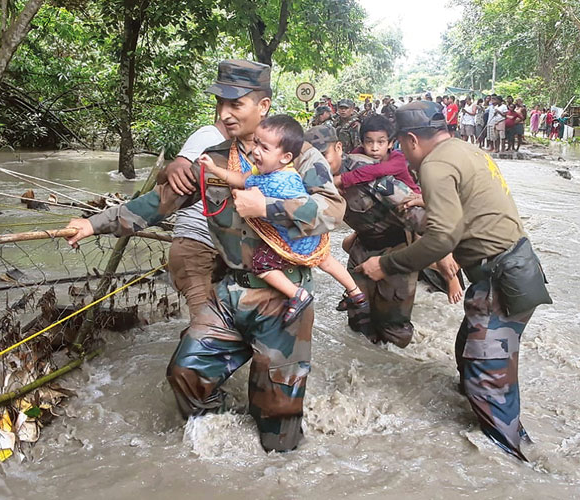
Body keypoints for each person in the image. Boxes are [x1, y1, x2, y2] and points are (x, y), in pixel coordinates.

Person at [65, 60, 345, 453]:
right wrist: (94, 224)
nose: (224, 114)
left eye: (236, 104)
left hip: (283, 302)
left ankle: (271, 456)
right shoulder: (213, 160)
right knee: (187, 372)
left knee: (277, 422)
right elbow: (156, 204)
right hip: (230, 293)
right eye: (219, 103)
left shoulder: (297, 155)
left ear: (263, 106)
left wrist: (268, 208)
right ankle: (228, 436)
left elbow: (332, 211)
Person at [356, 101, 551, 461]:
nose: (403, 154)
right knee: (468, 351)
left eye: (400, 144)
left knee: (485, 376)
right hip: (516, 267)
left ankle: (520, 463)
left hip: (500, 278)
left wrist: (386, 264)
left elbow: (441, 240)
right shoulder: (465, 149)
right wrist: (428, 201)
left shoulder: (434, 164)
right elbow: (468, 208)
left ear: (411, 139)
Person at [197, 115, 365, 327]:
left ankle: (297, 294)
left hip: (290, 241)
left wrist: (261, 206)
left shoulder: (276, 181)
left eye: (264, 148)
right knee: (326, 260)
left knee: (262, 264)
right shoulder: (277, 170)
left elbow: (314, 206)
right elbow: (240, 178)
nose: (255, 151)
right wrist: (213, 168)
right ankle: (356, 292)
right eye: (256, 143)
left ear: (285, 157)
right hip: (312, 239)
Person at [303, 124, 427, 348]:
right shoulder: (310, 178)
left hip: (395, 248)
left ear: (339, 148)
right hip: (362, 247)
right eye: (310, 158)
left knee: (394, 331)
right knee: (358, 322)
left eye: (323, 156)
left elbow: (421, 218)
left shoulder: (368, 173)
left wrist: (442, 253)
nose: (317, 164)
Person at [166, 116, 227, 321]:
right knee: (206, 326)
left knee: (218, 322)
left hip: (216, 249)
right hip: (195, 244)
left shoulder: (234, 147)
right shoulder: (208, 136)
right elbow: (178, 173)